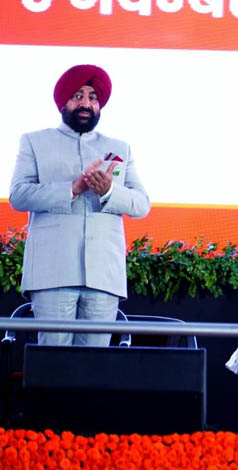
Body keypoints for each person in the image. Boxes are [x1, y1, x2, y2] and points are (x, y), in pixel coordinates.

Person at [9, 64, 151, 346]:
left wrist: (108, 191)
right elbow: (18, 195)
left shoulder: (119, 148)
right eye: (78, 96)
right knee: (53, 362)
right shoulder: (35, 141)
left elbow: (141, 205)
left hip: (103, 276)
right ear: (64, 101)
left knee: (94, 365)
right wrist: (72, 189)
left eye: (93, 97)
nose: (86, 103)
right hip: (52, 272)